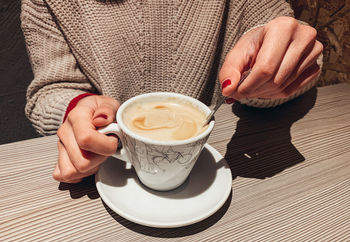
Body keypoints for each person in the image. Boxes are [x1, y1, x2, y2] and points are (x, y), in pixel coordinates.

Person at [21, 0, 323, 183]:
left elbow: (289, 42)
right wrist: (78, 107)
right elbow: (50, 89)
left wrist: (278, 62)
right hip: (107, 178)